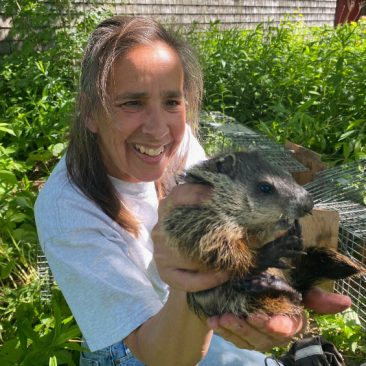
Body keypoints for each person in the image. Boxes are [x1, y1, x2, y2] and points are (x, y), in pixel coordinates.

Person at [34, 15, 352, 366]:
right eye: (132, 103)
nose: (158, 130)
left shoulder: (176, 140)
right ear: (90, 112)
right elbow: (159, 352)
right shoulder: (66, 208)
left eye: (172, 102)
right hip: (129, 344)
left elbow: (227, 231)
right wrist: (203, 276)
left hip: (191, 299)